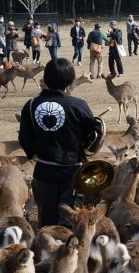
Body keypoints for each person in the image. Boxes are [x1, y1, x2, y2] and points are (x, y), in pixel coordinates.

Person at [18, 58, 102, 227]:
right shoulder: (78, 104)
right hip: (73, 173)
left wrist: (34, 152)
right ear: (70, 80)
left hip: (43, 171)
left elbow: (24, 137)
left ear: (46, 79)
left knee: (47, 218)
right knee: (69, 219)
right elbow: (95, 134)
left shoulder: (31, 105)